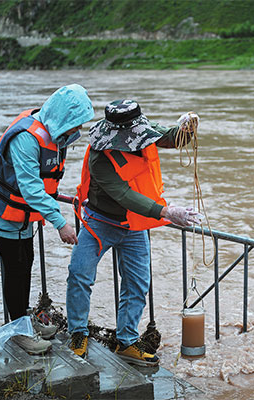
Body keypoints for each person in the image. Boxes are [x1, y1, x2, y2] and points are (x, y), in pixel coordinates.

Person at [66, 99, 200, 366]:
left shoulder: (143, 130)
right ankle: (78, 334)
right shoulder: (99, 155)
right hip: (100, 221)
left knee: (137, 284)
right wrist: (167, 212)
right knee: (79, 275)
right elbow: (124, 195)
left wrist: (186, 128)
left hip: (134, 225)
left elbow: (170, 138)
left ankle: (126, 341)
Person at [0, 84, 94, 355]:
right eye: (75, 125)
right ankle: (18, 332)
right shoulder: (27, 138)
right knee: (16, 268)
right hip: (1, 212)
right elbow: (31, 189)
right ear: (62, 117)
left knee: (25, 262)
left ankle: (22, 320)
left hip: (22, 216)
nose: (77, 132)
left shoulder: (52, 132)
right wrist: (60, 222)